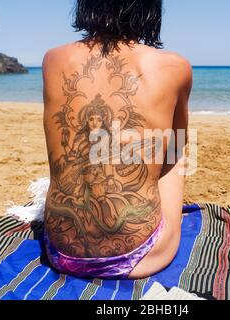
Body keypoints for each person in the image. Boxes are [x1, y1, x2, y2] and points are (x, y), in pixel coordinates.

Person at [42, 0, 192, 279]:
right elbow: (176, 145)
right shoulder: (175, 65)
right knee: (176, 149)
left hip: (60, 251)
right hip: (143, 255)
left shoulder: (52, 59)